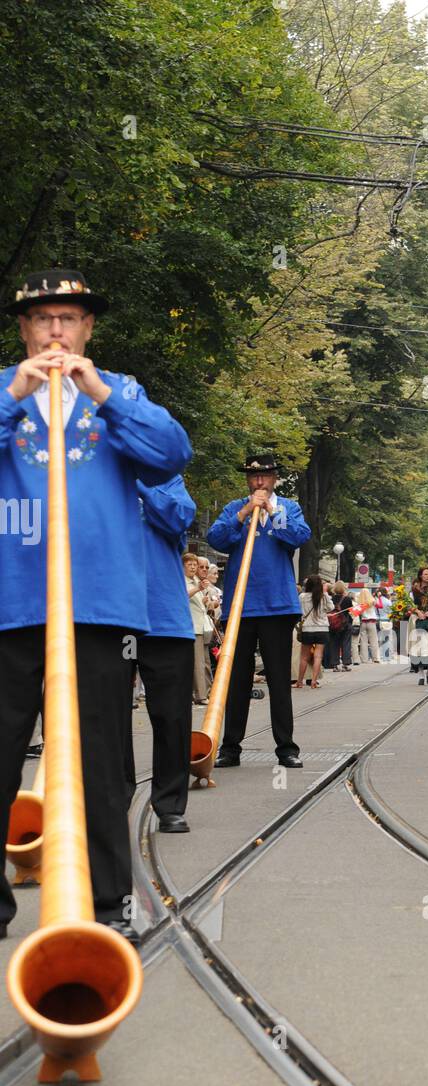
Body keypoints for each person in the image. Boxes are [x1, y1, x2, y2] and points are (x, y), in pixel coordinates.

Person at [0, 266, 192, 943]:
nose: (56, 330)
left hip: (103, 606)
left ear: (87, 329)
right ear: (23, 329)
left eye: (69, 319)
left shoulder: (121, 393)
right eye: (43, 319)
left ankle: (110, 900)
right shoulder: (4, 390)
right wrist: (13, 398)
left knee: (102, 758)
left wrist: (102, 393)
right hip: (12, 604)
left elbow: (171, 456)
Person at [207, 452, 311, 768]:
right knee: (237, 680)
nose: (259, 482)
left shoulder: (288, 508)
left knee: (279, 680)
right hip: (241, 607)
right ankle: (230, 747)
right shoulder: (234, 507)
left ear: (274, 478)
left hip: (277, 606)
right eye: (253, 477)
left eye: (264, 477)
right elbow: (216, 538)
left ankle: (286, 748)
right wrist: (244, 512)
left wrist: (270, 509)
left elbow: (298, 536)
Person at [126, 476, 196, 833]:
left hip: (165, 620)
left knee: (171, 717)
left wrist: (139, 481)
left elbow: (179, 518)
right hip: (111, 617)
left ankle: (169, 804)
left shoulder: (166, 477)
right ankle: (114, 798)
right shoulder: (94, 467)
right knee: (107, 718)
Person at [295, 574, 333, 689]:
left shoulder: (302, 596)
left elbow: (299, 610)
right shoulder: (323, 596)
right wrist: (325, 593)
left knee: (304, 657)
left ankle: (299, 681)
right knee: (318, 657)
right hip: (322, 629)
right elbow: (331, 608)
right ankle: (313, 681)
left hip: (307, 629)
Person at [184, 551, 212, 703]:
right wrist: (198, 589)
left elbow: (203, 606)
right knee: (198, 663)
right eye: (190, 565)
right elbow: (182, 595)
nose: (194, 567)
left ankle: (206, 691)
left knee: (205, 662)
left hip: (202, 627)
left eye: (195, 565)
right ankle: (200, 695)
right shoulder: (184, 581)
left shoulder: (196, 581)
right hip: (192, 626)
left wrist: (207, 601)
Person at [410, 567, 428, 685]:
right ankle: (421, 675)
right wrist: (417, 612)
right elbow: (409, 604)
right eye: (426, 574)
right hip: (417, 620)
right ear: (421, 576)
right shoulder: (413, 590)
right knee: (419, 648)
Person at [328, 580, 354, 671]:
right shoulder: (347, 599)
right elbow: (351, 611)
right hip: (345, 624)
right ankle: (345, 664)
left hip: (333, 625)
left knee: (334, 644)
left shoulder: (331, 599)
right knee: (346, 643)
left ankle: (335, 665)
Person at [356, 586, 381, 663]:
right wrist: (378, 597)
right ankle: (375, 658)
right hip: (372, 622)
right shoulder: (372, 600)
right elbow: (380, 606)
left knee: (363, 641)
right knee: (373, 640)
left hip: (363, 622)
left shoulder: (359, 602)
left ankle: (364, 659)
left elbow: (358, 612)